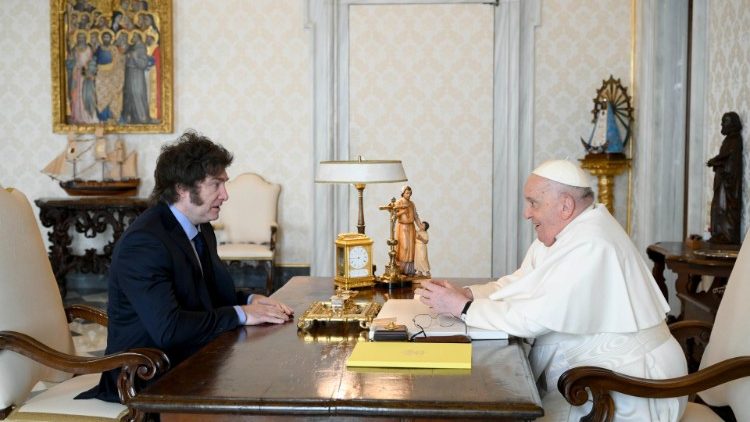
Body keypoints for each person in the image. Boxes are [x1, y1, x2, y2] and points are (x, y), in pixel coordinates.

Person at [416, 160, 687, 422]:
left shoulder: (592, 243)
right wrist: (469, 295)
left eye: (533, 202)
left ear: (565, 205)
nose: (526, 213)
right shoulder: (565, 234)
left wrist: (462, 308)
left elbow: (534, 318)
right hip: (596, 378)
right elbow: (520, 282)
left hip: (630, 389)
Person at [77, 130, 293, 403]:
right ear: (182, 188)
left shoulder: (201, 228)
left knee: (270, 375)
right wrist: (241, 313)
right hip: (145, 377)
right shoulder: (145, 243)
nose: (225, 195)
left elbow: (209, 297)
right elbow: (170, 329)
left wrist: (253, 300)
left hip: (190, 360)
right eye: (216, 184)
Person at [707, 111, 743, 244]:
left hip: (728, 182)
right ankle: (718, 234)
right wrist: (716, 162)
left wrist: (716, 161)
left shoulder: (735, 140)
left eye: (725, 122)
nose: (722, 124)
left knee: (725, 209)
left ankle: (726, 236)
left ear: (733, 123)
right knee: (718, 208)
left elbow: (729, 158)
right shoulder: (728, 140)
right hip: (722, 180)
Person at [394, 185, 422, 275]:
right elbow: (394, 215)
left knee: (411, 247)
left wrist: (420, 225)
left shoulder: (412, 203)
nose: (408, 195)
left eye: (410, 193)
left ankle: (409, 270)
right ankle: (401, 269)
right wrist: (403, 211)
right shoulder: (399, 202)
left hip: (411, 227)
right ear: (403, 193)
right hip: (402, 227)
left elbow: (415, 215)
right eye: (407, 193)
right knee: (404, 247)